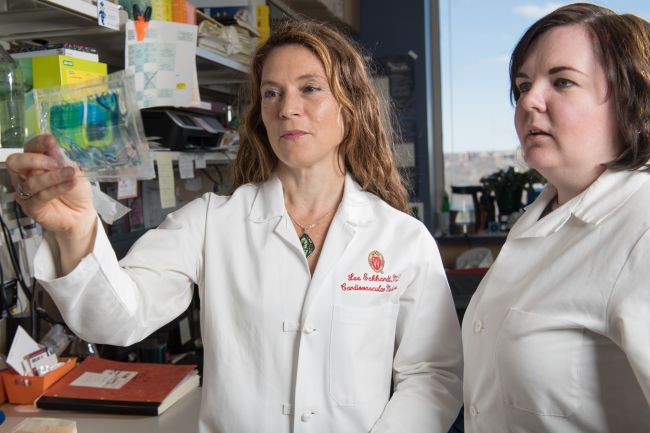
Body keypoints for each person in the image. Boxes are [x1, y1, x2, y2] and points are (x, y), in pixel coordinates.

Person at [7, 21, 463, 433]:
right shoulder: (212, 221)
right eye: (272, 93)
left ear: (352, 105)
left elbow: (432, 374)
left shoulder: (401, 238)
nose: (288, 108)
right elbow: (115, 319)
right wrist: (74, 230)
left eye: (310, 89)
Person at [462, 3, 650, 433]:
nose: (529, 100)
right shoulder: (542, 218)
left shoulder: (642, 223)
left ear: (630, 100)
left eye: (562, 81)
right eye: (523, 84)